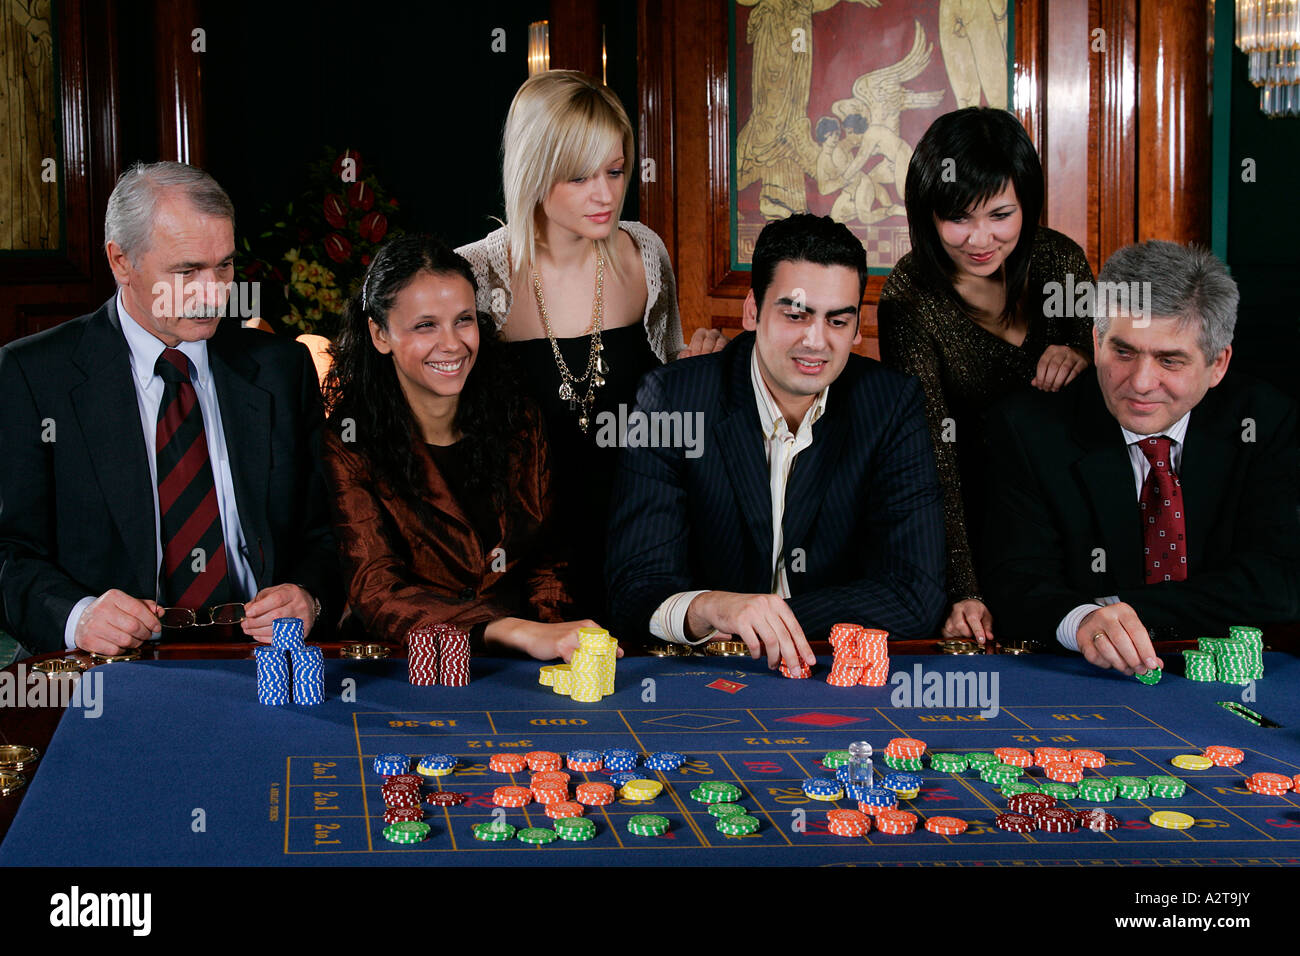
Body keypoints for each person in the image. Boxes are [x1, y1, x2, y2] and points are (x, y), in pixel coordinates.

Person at [0, 162, 339, 655]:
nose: (213, 292)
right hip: (111, 671)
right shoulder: (34, 375)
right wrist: (78, 617)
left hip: (262, 661)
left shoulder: (282, 368)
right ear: (121, 262)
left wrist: (310, 596)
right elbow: (10, 552)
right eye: (187, 271)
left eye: (223, 266)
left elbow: (329, 530)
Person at [606, 214, 947, 673]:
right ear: (752, 312)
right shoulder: (671, 400)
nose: (816, 341)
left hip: (827, 672)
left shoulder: (890, 403)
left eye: (837, 320)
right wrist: (716, 608)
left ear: (856, 328)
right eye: (794, 314)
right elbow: (634, 588)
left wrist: (759, 618)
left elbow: (915, 593)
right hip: (698, 675)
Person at [456, 70, 723, 619]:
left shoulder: (644, 252)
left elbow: (666, 410)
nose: (606, 195)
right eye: (579, 177)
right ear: (534, 171)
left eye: (616, 170)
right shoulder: (475, 274)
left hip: (640, 541)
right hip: (522, 564)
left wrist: (700, 377)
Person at [982, 240, 1300, 674]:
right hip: (1079, 676)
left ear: (1218, 364)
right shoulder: (1028, 428)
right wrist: (1083, 623)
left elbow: (1276, 584)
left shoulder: (1266, 422)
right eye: (1123, 352)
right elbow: (1016, 582)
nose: (1141, 382)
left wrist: (1108, 607)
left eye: (1170, 360)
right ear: (1096, 342)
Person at [322, 234, 607, 662]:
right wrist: (511, 631)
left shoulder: (519, 418)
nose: (452, 343)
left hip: (520, 660)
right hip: (407, 663)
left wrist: (553, 639)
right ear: (380, 334)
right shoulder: (348, 440)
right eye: (425, 325)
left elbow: (549, 559)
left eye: (463, 319)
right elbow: (377, 591)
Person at [878, 106, 1095, 646]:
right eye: (959, 218)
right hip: (969, 514)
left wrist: (1085, 359)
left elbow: (1115, 396)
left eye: (1000, 215)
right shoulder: (910, 297)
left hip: (1067, 509)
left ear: (1027, 204)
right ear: (927, 213)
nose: (981, 239)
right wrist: (962, 589)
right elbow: (931, 451)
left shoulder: (1060, 262)